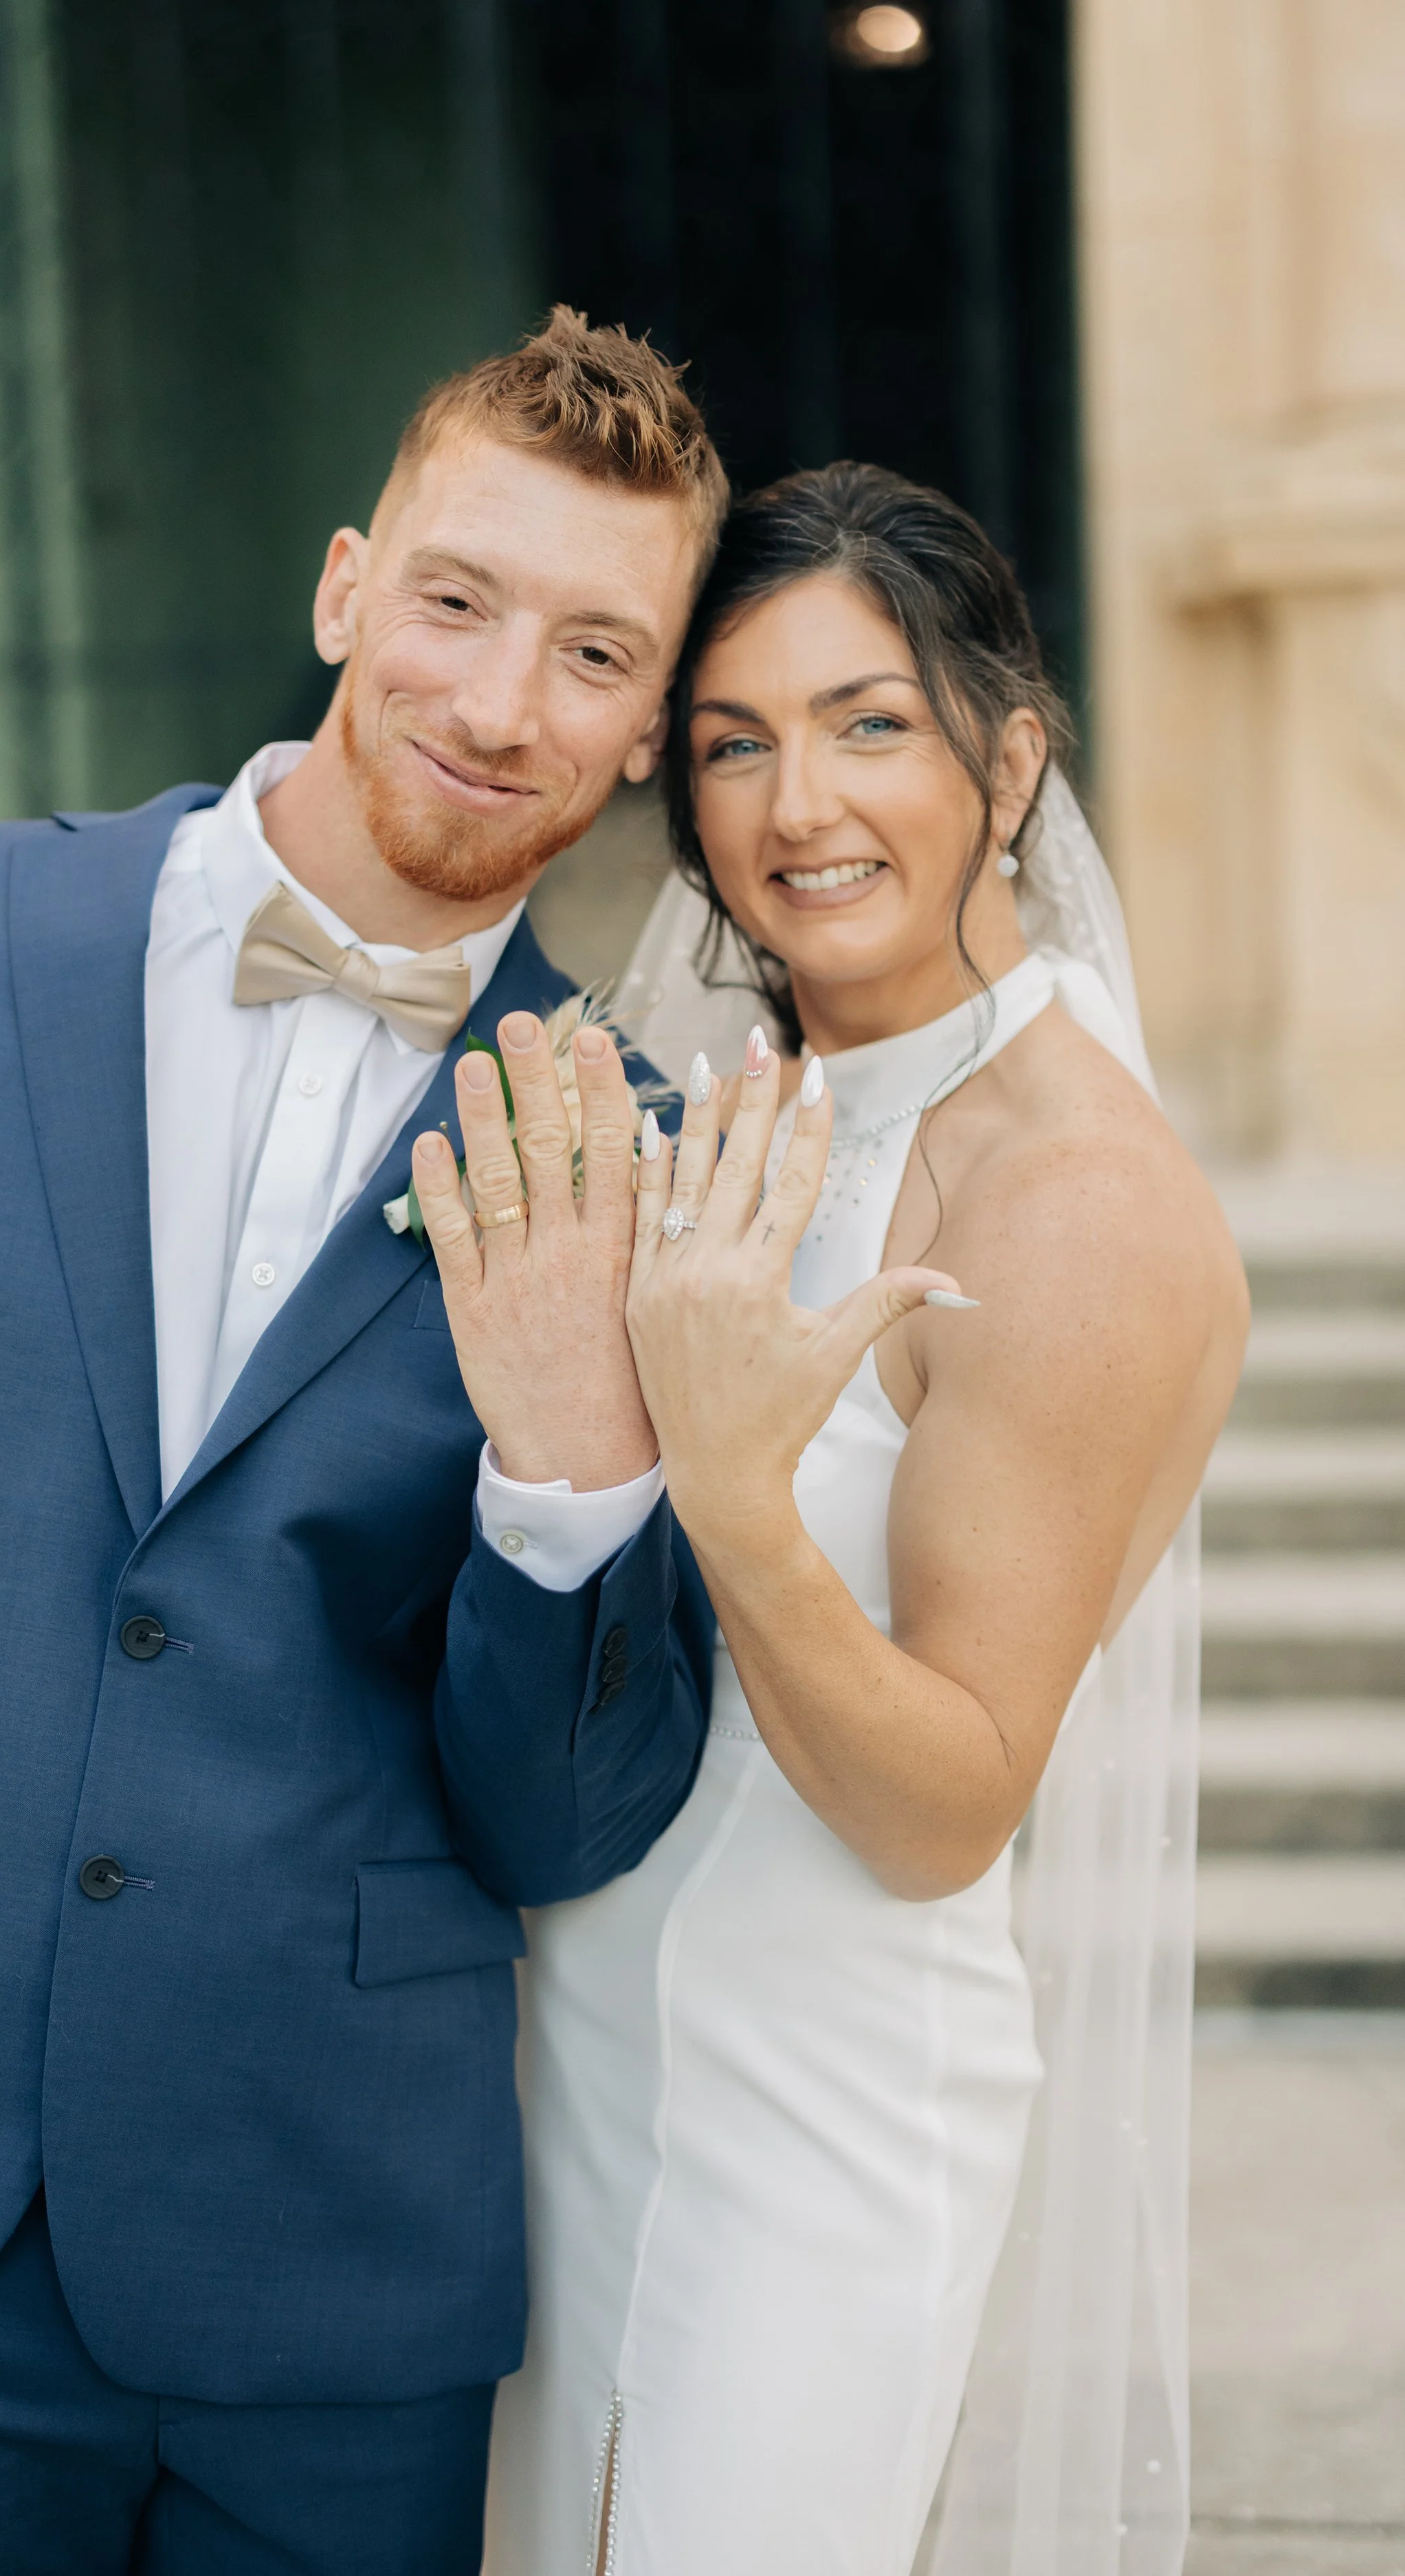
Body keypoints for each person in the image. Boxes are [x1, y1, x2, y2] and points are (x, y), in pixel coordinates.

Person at [0, 311, 728, 2576]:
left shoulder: (639, 1153)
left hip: (330, 2261)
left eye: (590, 652)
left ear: (649, 726)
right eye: (456, 602)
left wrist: (565, 1473)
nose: (495, 701)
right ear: (349, 585)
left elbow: (567, 1820)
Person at [470, 463, 1249, 2576]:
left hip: (813, 2103)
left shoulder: (1068, 1201)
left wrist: (731, 1486)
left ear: (1009, 759)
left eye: (866, 722)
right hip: (579, 2046)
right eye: (732, 742)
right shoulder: (740, 1096)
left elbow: (942, 1810)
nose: (792, 802)